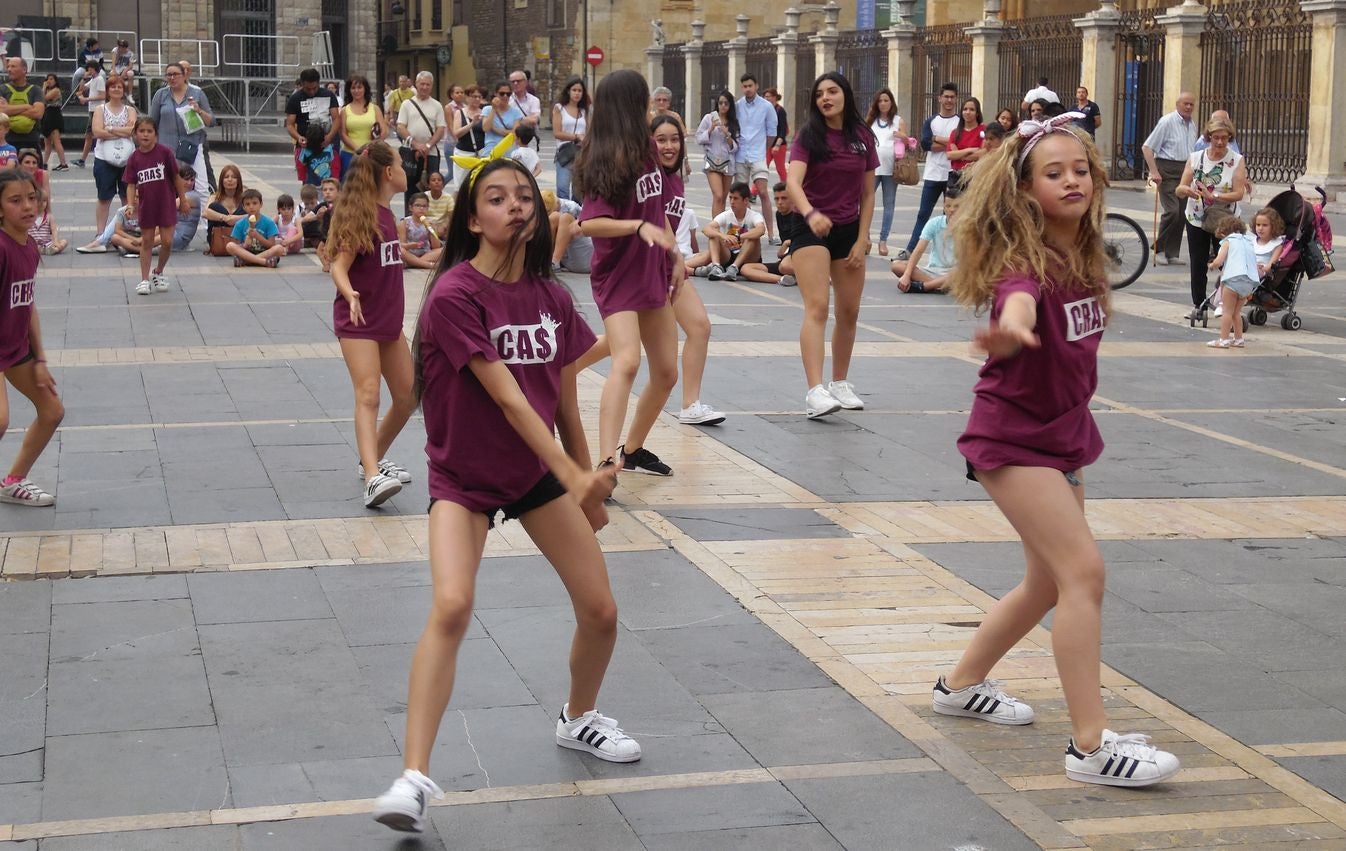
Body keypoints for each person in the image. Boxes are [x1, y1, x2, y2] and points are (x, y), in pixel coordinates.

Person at [371, 154, 630, 836]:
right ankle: (413, 775)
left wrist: (585, 474)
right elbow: (512, 399)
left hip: (534, 475)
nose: (515, 206)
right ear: (472, 218)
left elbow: (563, 394)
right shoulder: (456, 294)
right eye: (496, 197)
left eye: (524, 196)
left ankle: (578, 718)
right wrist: (574, 477)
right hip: (464, 477)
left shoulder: (550, 297)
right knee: (453, 604)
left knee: (601, 610)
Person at [941, 111, 1181, 789]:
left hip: (1061, 433)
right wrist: (1011, 331)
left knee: (1048, 580)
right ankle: (1091, 745)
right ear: (1024, 190)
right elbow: (1015, 304)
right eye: (1054, 173)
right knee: (1084, 573)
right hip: (1012, 437)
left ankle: (960, 684)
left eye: (1079, 169)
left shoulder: (1084, 256)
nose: (1071, 180)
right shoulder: (1027, 264)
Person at [573, 69, 682, 474]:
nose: (651, 105)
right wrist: (636, 227)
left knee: (667, 372)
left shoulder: (648, 147)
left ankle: (631, 450)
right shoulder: (605, 158)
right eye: (644, 98)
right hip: (617, 276)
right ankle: (604, 464)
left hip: (652, 272)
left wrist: (676, 255)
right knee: (627, 361)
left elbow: (658, 208)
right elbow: (590, 223)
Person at [325, 141, 417, 507]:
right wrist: (349, 294)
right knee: (369, 394)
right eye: (401, 163)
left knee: (409, 397)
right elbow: (338, 266)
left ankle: (372, 459)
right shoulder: (361, 216)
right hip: (358, 322)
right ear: (388, 173)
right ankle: (373, 479)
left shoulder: (389, 217)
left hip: (389, 324)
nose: (406, 168)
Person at [786, 71, 877, 420]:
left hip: (849, 227)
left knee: (850, 310)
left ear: (845, 95)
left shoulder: (862, 137)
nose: (826, 98)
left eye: (832, 91)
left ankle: (840, 382)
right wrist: (810, 214)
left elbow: (868, 193)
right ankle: (815, 391)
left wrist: (862, 236)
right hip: (810, 225)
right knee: (818, 307)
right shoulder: (809, 135)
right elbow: (793, 182)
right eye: (820, 93)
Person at [0, 168, 64, 507]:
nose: (27, 206)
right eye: (15, 200)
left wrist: (39, 359)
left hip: (15, 349)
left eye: (31, 198)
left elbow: (27, 305)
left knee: (52, 410)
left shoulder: (30, 248)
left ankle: (12, 481)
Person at [1176, 116, 1247, 319]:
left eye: (1224, 138)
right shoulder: (1196, 157)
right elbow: (1180, 187)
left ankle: (1225, 302)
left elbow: (1239, 193)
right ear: (1208, 137)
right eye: (1216, 137)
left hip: (1224, 219)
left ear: (1229, 138)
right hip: (1196, 216)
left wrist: (1215, 196)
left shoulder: (1236, 160)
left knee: (1226, 262)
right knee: (1198, 262)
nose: (1220, 142)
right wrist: (1186, 191)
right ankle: (1199, 304)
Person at [124, 117, 190, 294]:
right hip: (147, 206)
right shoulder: (134, 159)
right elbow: (130, 184)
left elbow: (176, 177)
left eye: (149, 131)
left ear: (156, 135)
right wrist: (130, 205)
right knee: (147, 241)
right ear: (135, 134)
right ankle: (144, 279)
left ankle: (158, 271)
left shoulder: (165, 153)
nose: (145, 135)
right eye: (142, 131)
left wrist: (183, 200)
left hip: (166, 203)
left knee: (167, 241)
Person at [75, 73, 136, 253]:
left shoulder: (130, 110)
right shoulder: (100, 109)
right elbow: (97, 132)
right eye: (113, 87)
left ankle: (126, 231)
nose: (116, 89)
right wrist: (121, 131)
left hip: (127, 158)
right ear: (108, 90)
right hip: (104, 157)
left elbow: (132, 131)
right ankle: (101, 233)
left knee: (128, 196)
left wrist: (110, 128)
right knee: (104, 197)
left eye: (119, 87)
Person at [900, 82, 958, 260]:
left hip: (953, 174)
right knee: (923, 214)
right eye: (946, 97)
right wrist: (950, 143)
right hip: (933, 173)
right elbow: (925, 144)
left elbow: (962, 144)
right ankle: (910, 250)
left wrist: (938, 140)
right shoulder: (930, 121)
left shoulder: (960, 122)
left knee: (950, 216)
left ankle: (945, 255)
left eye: (952, 97)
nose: (948, 100)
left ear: (956, 99)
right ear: (939, 98)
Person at [1142, 92, 1198, 266]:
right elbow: (1147, 147)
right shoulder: (1166, 122)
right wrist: (1154, 172)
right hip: (1167, 168)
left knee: (1182, 213)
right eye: (1185, 104)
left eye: (1191, 105)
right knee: (1172, 211)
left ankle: (1172, 252)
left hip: (1185, 170)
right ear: (1177, 104)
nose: (1188, 107)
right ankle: (1159, 249)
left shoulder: (1192, 125)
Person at [148, 62, 213, 195]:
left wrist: (199, 110)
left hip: (192, 146)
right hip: (166, 147)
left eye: (176, 74)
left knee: (201, 187)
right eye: (169, 75)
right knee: (165, 186)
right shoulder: (160, 95)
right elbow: (152, 122)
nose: (172, 78)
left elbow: (211, 121)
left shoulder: (197, 93)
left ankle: (201, 216)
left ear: (184, 75)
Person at [733, 74, 777, 243]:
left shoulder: (766, 107)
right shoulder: (737, 106)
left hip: (758, 154)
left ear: (756, 86)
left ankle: (771, 234)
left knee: (764, 192)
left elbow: (772, 131)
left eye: (750, 85)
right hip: (740, 155)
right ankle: (744, 233)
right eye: (744, 86)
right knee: (740, 196)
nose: (748, 89)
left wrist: (764, 149)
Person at [397, 71, 449, 208]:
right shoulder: (407, 104)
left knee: (430, 190)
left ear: (431, 86)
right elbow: (401, 127)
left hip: (430, 154)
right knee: (410, 189)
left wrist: (427, 145)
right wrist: (415, 144)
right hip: (410, 154)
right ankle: (409, 221)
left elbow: (440, 129)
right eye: (422, 84)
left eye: (428, 84)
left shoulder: (437, 105)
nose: (424, 87)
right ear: (416, 84)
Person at [1205, 217, 1257, 348]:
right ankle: (1239, 339)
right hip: (1248, 282)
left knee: (1227, 312)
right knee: (1236, 313)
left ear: (1223, 232)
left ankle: (1223, 339)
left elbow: (1219, 261)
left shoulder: (1228, 242)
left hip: (1233, 280)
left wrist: (1211, 265)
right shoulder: (1248, 241)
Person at [892, 191, 958, 293]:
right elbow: (918, 250)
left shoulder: (969, 226)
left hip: (957, 272)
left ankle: (926, 286)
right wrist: (907, 275)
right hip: (934, 271)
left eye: (956, 206)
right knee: (896, 265)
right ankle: (940, 286)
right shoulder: (935, 223)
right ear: (944, 207)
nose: (952, 210)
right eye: (948, 206)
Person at [737, 182, 800, 287]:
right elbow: (783, 249)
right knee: (746, 268)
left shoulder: (799, 216)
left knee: (784, 266)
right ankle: (784, 279)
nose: (779, 202)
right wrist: (783, 248)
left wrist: (787, 244)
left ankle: (818, 274)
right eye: (777, 199)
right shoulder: (779, 214)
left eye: (784, 198)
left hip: (799, 258)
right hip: (786, 260)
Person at [866, 88, 905, 257]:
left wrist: (902, 136)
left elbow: (908, 141)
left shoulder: (898, 120)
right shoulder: (870, 121)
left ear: (891, 102)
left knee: (889, 205)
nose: (883, 103)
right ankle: (865, 238)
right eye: (880, 100)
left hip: (891, 168)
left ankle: (883, 240)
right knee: (865, 202)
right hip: (872, 168)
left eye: (886, 100)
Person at [285, 68, 341, 185]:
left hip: (327, 143)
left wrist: (330, 137)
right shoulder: (295, 99)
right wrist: (298, 137)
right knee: (308, 181)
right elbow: (290, 125)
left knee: (330, 179)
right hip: (306, 145)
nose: (311, 92)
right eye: (307, 89)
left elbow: (336, 119)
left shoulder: (329, 95)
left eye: (314, 88)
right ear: (302, 84)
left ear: (318, 83)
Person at [702, 182, 764, 281]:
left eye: (735, 198)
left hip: (748, 258)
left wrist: (740, 237)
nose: (732, 202)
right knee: (714, 233)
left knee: (753, 235)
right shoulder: (726, 214)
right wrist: (722, 236)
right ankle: (716, 266)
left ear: (745, 201)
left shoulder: (754, 216)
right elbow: (706, 229)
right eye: (730, 198)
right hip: (729, 255)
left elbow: (761, 230)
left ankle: (734, 267)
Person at [695, 90, 739, 219]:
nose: (723, 106)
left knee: (724, 197)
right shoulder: (709, 118)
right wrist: (710, 129)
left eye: (726, 103)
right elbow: (699, 138)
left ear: (730, 105)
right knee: (718, 195)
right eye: (720, 103)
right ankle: (715, 229)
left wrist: (727, 134)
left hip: (728, 163)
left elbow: (735, 147)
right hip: (712, 162)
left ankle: (720, 226)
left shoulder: (733, 122)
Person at [339, 74, 388, 177]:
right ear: (349, 90)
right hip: (350, 154)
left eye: (359, 87)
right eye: (353, 88)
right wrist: (358, 150)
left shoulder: (375, 108)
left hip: (371, 154)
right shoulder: (344, 110)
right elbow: (343, 134)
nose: (356, 91)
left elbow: (384, 131)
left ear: (365, 89)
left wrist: (371, 147)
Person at [225, 188, 286, 268]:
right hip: (247, 252)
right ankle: (263, 262)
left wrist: (258, 236)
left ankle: (247, 261)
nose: (251, 207)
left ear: (261, 204)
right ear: (243, 207)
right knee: (230, 246)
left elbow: (271, 244)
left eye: (254, 203)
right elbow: (237, 245)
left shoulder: (269, 222)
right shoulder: (240, 224)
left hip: (265, 252)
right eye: (247, 204)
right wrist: (245, 245)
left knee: (279, 248)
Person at [551, 76, 589, 201]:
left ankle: (576, 217)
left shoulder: (584, 111)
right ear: (568, 91)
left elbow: (589, 131)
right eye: (574, 90)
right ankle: (563, 216)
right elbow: (557, 133)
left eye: (580, 91)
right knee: (563, 188)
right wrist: (576, 137)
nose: (577, 93)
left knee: (578, 191)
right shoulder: (559, 108)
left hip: (581, 153)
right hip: (565, 152)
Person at [1, 58, 45, 157]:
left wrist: (9, 108)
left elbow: (38, 113)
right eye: (8, 66)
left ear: (24, 70)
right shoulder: (2, 89)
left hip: (31, 141)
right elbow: (2, 110)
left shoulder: (36, 90)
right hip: (7, 141)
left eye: (13, 66)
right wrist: (27, 107)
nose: (9, 69)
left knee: (32, 171)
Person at [203, 164, 246, 251]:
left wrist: (235, 218)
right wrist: (225, 218)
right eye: (226, 177)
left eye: (234, 177)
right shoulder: (214, 197)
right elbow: (205, 213)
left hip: (239, 236)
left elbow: (255, 215)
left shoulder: (244, 197)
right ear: (222, 181)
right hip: (218, 236)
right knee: (214, 206)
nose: (230, 180)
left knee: (245, 209)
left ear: (238, 181)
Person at [449, 84, 486, 186]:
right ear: (467, 97)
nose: (477, 99)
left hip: (480, 153)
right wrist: (472, 124)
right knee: (461, 186)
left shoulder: (484, 113)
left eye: (479, 97)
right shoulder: (460, 113)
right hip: (463, 154)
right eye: (474, 96)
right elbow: (456, 133)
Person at [946, 97, 986, 192]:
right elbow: (949, 155)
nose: (968, 112)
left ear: (977, 113)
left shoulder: (984, 130)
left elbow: (982, 154)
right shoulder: (955, 133)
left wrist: (958, 154)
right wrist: (970, 150)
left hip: (976, 176)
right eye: (965, 109)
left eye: (972, 109)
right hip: (956, 176)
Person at [398, 191, 443, 268]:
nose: (421, 208)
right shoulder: (404, 223)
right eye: (417, 205)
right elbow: (402, 245)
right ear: (411, 207)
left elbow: (436, 247)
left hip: (425, 254)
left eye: (424, 206)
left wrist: (430, 230)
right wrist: (411, 245)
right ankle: (427, 265)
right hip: (409, 253)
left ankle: (413, 263)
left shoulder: (430, 222)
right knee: (401, 250)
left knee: (443, 250)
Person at [73, 59, 105, 167]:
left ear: (94, 69)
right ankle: (82, 160)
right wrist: (83, 78)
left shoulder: (100, 79)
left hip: (97, 110)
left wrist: (86, 99)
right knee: (89, 136)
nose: (88, 71)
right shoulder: (93, 79)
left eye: (90, 69)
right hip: (92, 110)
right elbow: (81, 89)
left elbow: (102, 96)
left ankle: (96, 158)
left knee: (94, 135)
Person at [479, 80, 521, 155]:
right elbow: (486, 128)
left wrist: (495, 129)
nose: (505, 96)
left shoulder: (516, 112)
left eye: (508, 94)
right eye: (502, 94)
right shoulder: (487, 109)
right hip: (491, 151)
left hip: (509, 152)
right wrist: (494, 109)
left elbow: (515, 134)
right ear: (496, 94)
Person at [39, 74, 67, 170]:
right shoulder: (47, 90)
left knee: (56, 141)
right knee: (47, 142)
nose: (49, 81)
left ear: (55, 81)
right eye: (48, 79)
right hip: (47, 115)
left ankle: (63, 164)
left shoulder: (56, 90)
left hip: (54, 115)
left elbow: (43, 99)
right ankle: (44, 163)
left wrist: (43, 87)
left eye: (51, 79)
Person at [172, 165, 202, 251]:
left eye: (192, 180)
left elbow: (166, 207)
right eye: (186, 179)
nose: (189, 183)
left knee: (145, 240)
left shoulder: (192, 197)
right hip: (172, 233)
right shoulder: (179, 194)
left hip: (179, 237)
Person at [299, 122, 339, 187]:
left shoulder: (306, 151)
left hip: (311, 184)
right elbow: (334, 163)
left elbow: (302, 164)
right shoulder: (329, 149)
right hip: (327, 185)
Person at [763, 87, 789, 184]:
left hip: (779, 146)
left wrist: (777, 145)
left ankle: (787, 189)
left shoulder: (780, 111)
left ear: (774, 97)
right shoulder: (765, 111)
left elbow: (783, 130)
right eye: (765, 97)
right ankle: (753, 192)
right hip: (767, 145)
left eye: (768, 96)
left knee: (780, 169)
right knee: (762, 169)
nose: (766, 99)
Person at [507, 69, 541, 135]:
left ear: (525, 82)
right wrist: (525, 120)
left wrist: (513, 121)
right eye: (513, 82)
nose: (515, 83)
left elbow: (533, 120)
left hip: (529, 139)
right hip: (510, 138)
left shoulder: (534, 100)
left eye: (518, 81)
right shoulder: (507, 100)